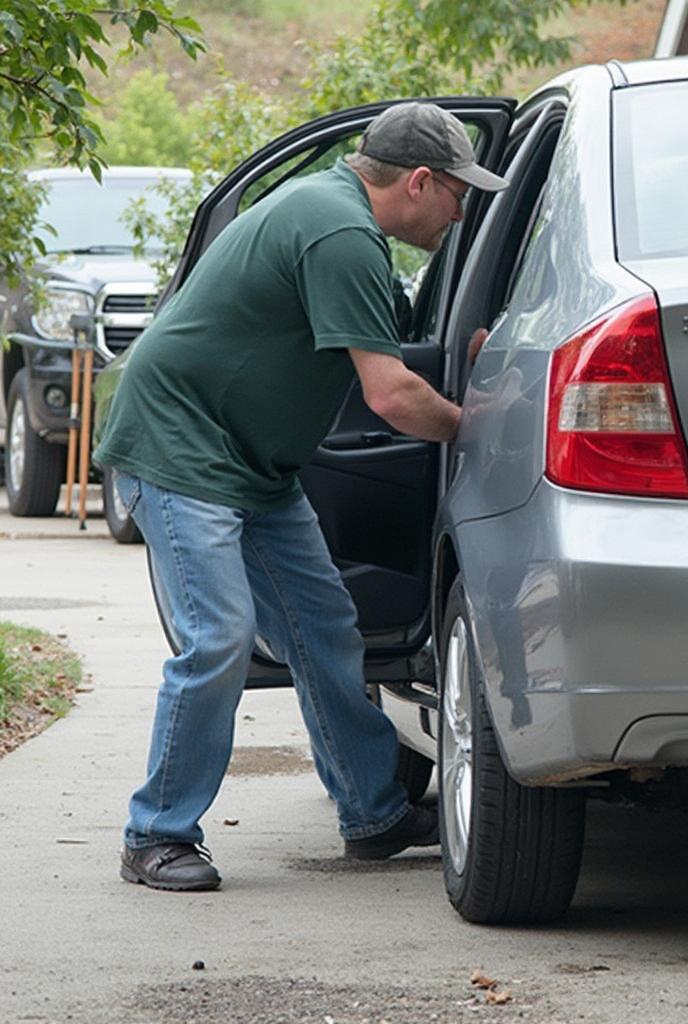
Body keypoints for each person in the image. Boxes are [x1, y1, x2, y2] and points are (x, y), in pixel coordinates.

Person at [94, 102, 508, 892]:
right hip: (180, 451)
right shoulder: (339, 231)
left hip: (253, 466)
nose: (461, 212)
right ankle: (156, 834)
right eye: (458, 194)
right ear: (419, 181)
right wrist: (486, 427)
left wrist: (468, 365)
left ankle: (373, 813)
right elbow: (389, 395)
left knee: (324, 628)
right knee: (217, 638)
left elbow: (390, 344)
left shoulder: (336, 213)